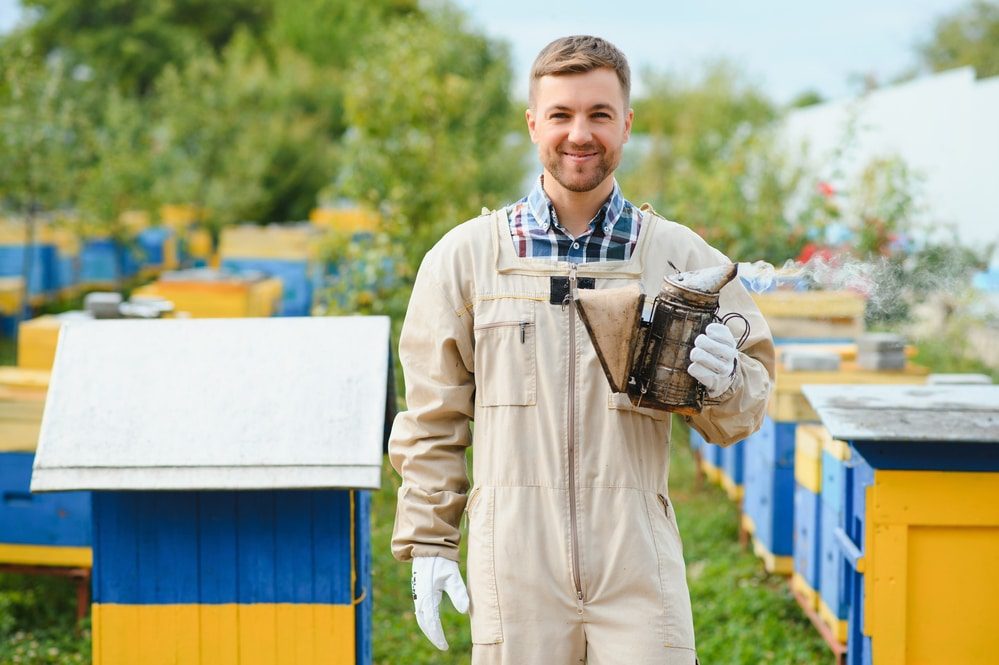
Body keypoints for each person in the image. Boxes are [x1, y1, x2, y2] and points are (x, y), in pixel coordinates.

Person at [389, 35, 775, 665]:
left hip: (637, 564)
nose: (580, 133)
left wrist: (728, 380)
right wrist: (431, 539)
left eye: (599, 114)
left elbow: (746, 409)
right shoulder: (465, 259)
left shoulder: (679, 257)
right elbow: (433, 416)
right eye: (562, 114)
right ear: (533, 123)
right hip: (515, 563)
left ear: (626, 123)